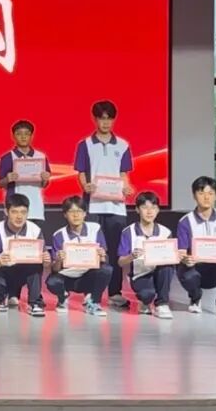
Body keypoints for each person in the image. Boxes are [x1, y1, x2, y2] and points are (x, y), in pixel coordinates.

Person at [73, 100, 134, 310]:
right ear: (95, 119)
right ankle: (91, 292)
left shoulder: (123, 145)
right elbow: (81, 172)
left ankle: (115, 292)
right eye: (102, 118)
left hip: (116, 206)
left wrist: (126, 187)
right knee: (92, 249)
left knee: (116, 251)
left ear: (114, 120)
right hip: (93, 205)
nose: (105, 123)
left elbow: (123, 173)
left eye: (109, 118)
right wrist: (85, 185)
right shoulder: (85, 144)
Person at [176, 176, 216, 318]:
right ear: (194, 195)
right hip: (194, 268)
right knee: (185, 271)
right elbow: (181, 252)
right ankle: (195, 298)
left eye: (210, 193)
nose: (206, 197)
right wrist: (185, 259)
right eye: (201, 193)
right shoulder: (185, 222)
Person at [0, 193, 50, 317]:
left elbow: (45, 262)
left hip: (24, 272)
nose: (19, 217)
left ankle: (35, 303)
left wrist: (46, 261)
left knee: (36, 265)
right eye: (14, 212)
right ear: (6, 212)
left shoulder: (35, 230)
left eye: (23, 212)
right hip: (2, 272)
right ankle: (2, 297)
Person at [47, 196, 112, 317]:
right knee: (52, 282)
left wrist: (102, 255)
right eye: (71, 212)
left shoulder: (95, 229)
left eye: (79, 211)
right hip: (68, 276)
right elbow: (55, 269)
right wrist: (59, 259)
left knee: (106, 269)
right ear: (65, 214)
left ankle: (93, 301)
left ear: (85, 213)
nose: (76, 215)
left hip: (88, 275)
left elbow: (104, 259)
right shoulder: (59, 235)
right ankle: (62, 299)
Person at [118, 191, 179, 320]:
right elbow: (120, 261)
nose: (149, 211)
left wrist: (176, 256)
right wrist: (131, 256)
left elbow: (172, 257)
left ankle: (162, 304)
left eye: (153, 207)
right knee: (147, 295)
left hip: (160, 272)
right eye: (145, 207)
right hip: (140, 275)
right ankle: (144, 301)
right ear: (137, 209)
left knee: (168, 266)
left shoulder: (165, 232)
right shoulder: (128, 232)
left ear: (158, 210)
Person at [0, 120, 51, 222]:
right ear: (13, 136)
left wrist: (45, 179)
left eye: (27, 134)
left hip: (35, 207)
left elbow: (44, 184)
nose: (23, 137)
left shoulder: (41, 156)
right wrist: (7, 179)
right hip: (14, 207)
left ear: (32, 136)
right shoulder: (7, 158)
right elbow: (0, 184)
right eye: (19, 134)